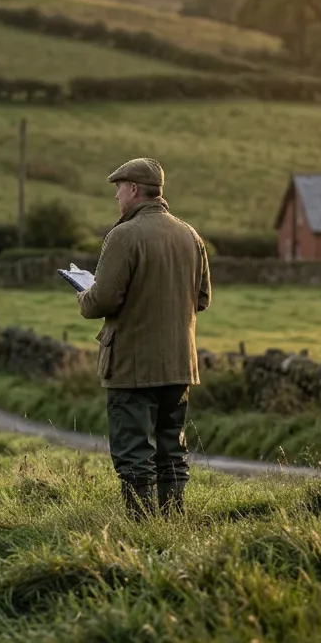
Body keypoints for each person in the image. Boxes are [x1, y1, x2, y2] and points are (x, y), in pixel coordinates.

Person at [76, 157, 211, 520]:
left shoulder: (123, 235)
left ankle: (141, 525)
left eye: (119, 189)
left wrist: (83, 293)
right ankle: (172, 519)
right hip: (180, 364)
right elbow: (202, 299)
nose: (117, 197)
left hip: (132, 365)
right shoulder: (190, 235)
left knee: (133, 451)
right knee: (172, 448)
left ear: (134, 189)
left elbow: (101, 301)